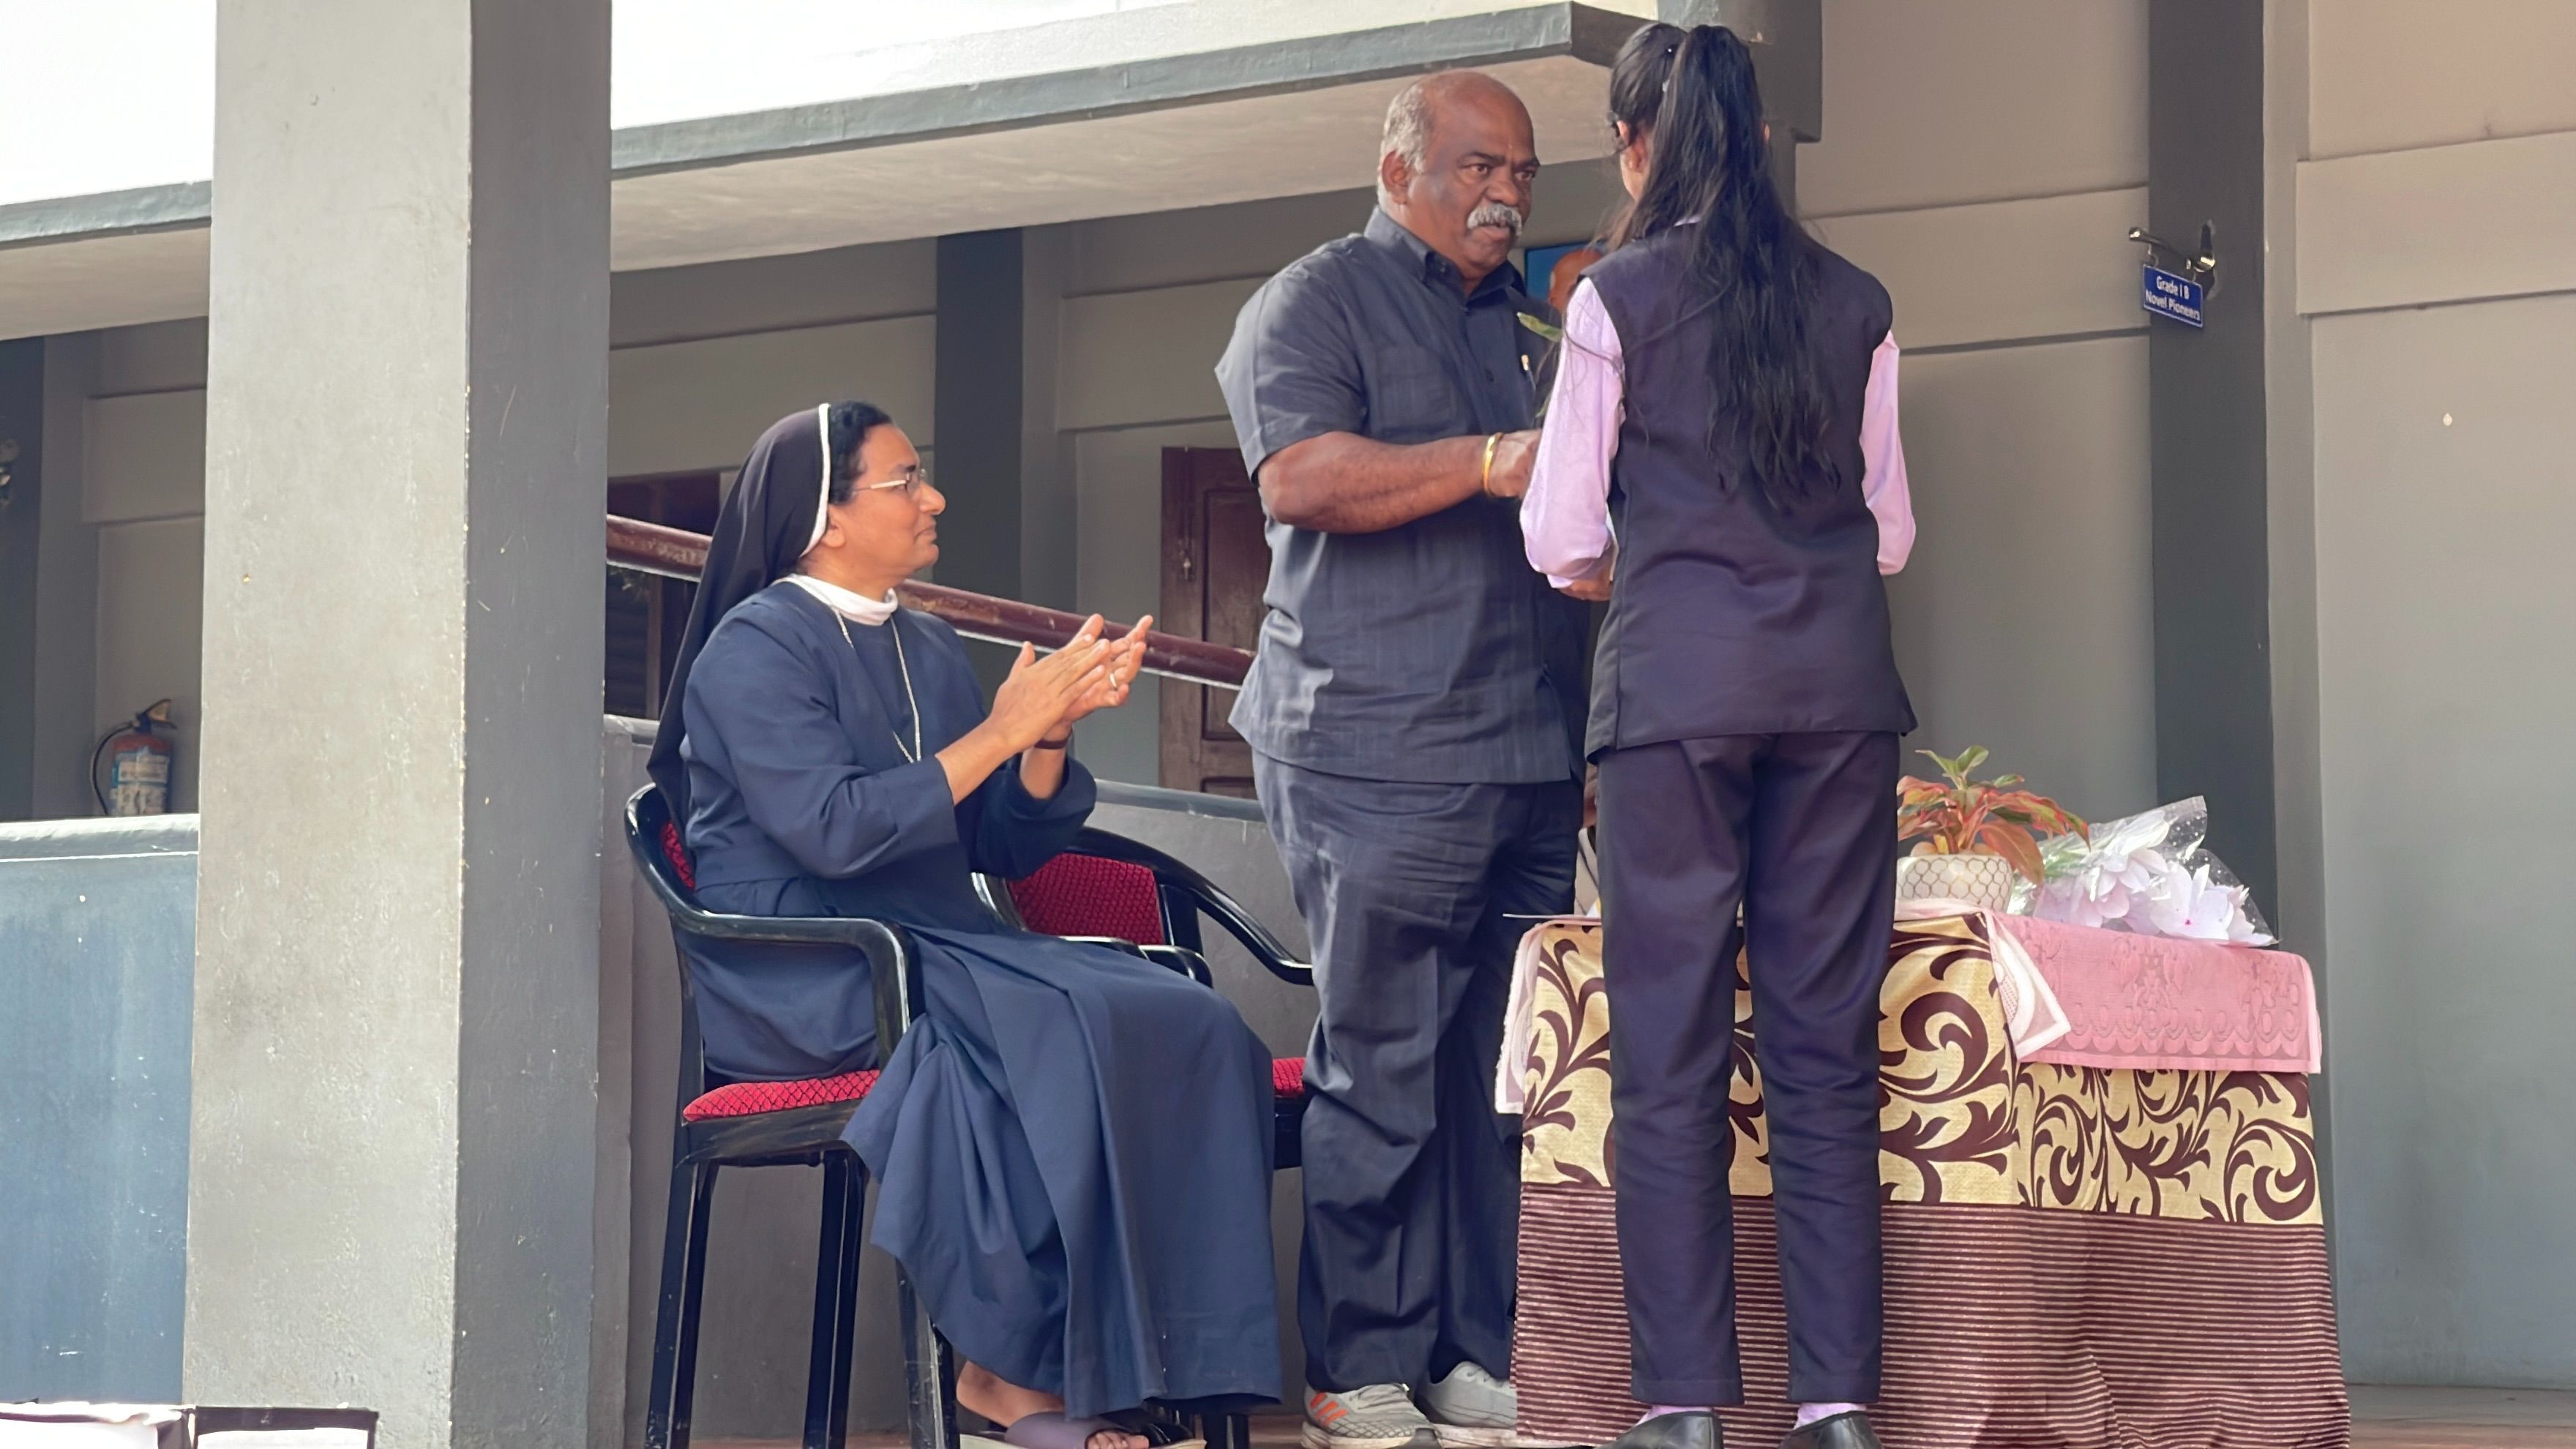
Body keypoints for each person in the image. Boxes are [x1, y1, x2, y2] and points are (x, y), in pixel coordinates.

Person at [645, 403, 1284, 1449]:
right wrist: (1000, 729)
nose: (933, 498)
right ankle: (1005, 1378)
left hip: (939, 945)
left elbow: (996, 842)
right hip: (812, 961)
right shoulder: (751, 648)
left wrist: (1046, 739)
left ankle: (1168, 1365)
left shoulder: (929, 645)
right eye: (905, 481)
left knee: (1192, 1021)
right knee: (1044, 1033)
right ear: (826, 517)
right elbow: (832, 831)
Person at [1519, 23, 1916, 1449]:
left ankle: (1682, 1404)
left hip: (1676, 704)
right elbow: (1887, 535)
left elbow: (1560, 536)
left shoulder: (1610, 299)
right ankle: (1837, 1404)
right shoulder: (1857, 301)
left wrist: (1646, 564)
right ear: (1754, 140)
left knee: (1669, 1050)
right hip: (1838, 700)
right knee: (1824, 1049)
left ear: (1636, 146)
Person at [1213, 68, 1587, 1449]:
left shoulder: (1534, 333)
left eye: (1523, 173)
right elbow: (1298, 477)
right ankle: (1357, 1364)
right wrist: (1487, 460)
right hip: (1375, 745)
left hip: (1530, 751)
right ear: (1398, 172)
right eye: (1480, 167)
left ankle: (1471, 1352)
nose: (1506, 195)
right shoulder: (1314, 300)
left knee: (1502, 1074)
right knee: (1382, 1062)